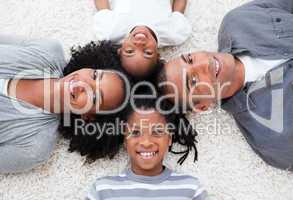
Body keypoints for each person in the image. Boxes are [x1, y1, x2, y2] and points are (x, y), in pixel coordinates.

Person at [159, 0, 293, 171]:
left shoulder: (238, 21)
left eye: (190, 59)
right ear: (202, 106)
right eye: (193, 81)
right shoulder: (272, 135)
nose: (204, 64)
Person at [0, 35, 128, 173]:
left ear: (88, 117)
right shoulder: (48, 50)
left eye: (95, 97)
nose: (83, 84)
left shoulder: (33, 147)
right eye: (95, 75)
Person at [86, 94, 207, 200]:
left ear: (169, 138)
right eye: (135, 133)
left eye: (157, 132)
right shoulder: (102, 190)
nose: (146, 142)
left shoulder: (191, 188)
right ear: (124, 140)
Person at [93, 0, 192, 77]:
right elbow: (179, 5)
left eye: (129, 51)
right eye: (148, 52)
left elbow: (102, 5)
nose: (139, 44)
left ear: (120, 50)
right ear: (158, 55)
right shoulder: (173, 33)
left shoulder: (111, 31)